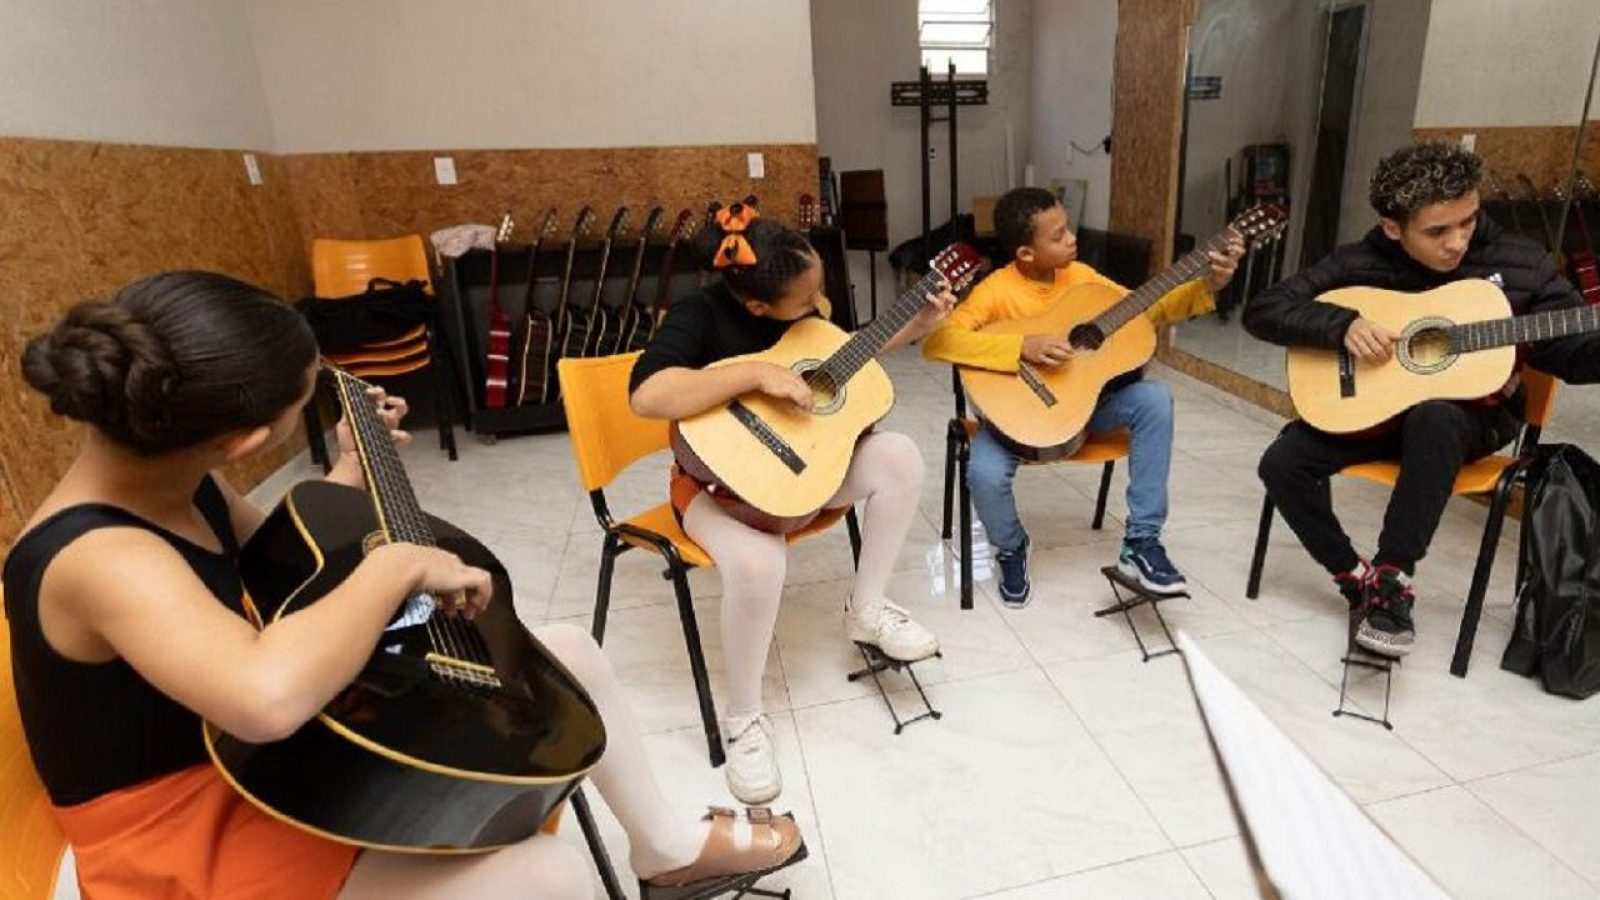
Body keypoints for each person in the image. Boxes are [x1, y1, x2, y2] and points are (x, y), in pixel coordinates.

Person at [3, 271, 806, 900]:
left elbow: (285, 556)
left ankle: (664, 853)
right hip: (185, 823)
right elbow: (262, 695)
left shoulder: (172, 478)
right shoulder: (97, 558)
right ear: (241, 439)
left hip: (256, 759)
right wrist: (399, 565)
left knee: (562, 655)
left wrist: (349, 472)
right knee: (547, 879)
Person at [629, 202, 956, 805]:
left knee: (900, 456)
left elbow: (839, 360)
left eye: (821, 290)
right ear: (755, 305)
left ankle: (867, 609)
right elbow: (649, 395)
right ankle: (744, 718)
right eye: (806, 301)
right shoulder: (698, 315)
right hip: (713, 490)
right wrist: (754, 373)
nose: (820, 306)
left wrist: (915, 327)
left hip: (802, 474)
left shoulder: (807, 313)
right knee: (759, 564)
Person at [1244, 141, 1600, 657]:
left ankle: (1393, 579)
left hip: (1471, 420)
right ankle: (1355, 580)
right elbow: (1265, 309)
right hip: (1379, 415)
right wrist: (1341, 325)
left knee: (1435, 416)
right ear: (1394, 227)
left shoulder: (1519, 263)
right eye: (1437, 231)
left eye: (1468, 221)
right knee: (1283, 463)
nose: (1457, 242)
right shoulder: (1360, 261)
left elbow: (1571, 352)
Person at [922, 187, 1243, 605]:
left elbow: (1149, 308)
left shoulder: (1084, 278)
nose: (1072, 238)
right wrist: (1020, 347)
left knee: (1155, 400)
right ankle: (1012, 546)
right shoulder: (996, 291)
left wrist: (1209, 284)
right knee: (983, 473)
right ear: (1025, 254)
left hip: (1087, 409)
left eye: (1068, 228)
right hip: (1015, 421)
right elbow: (939, 341)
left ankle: (1141, 544)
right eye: (1057, 236)